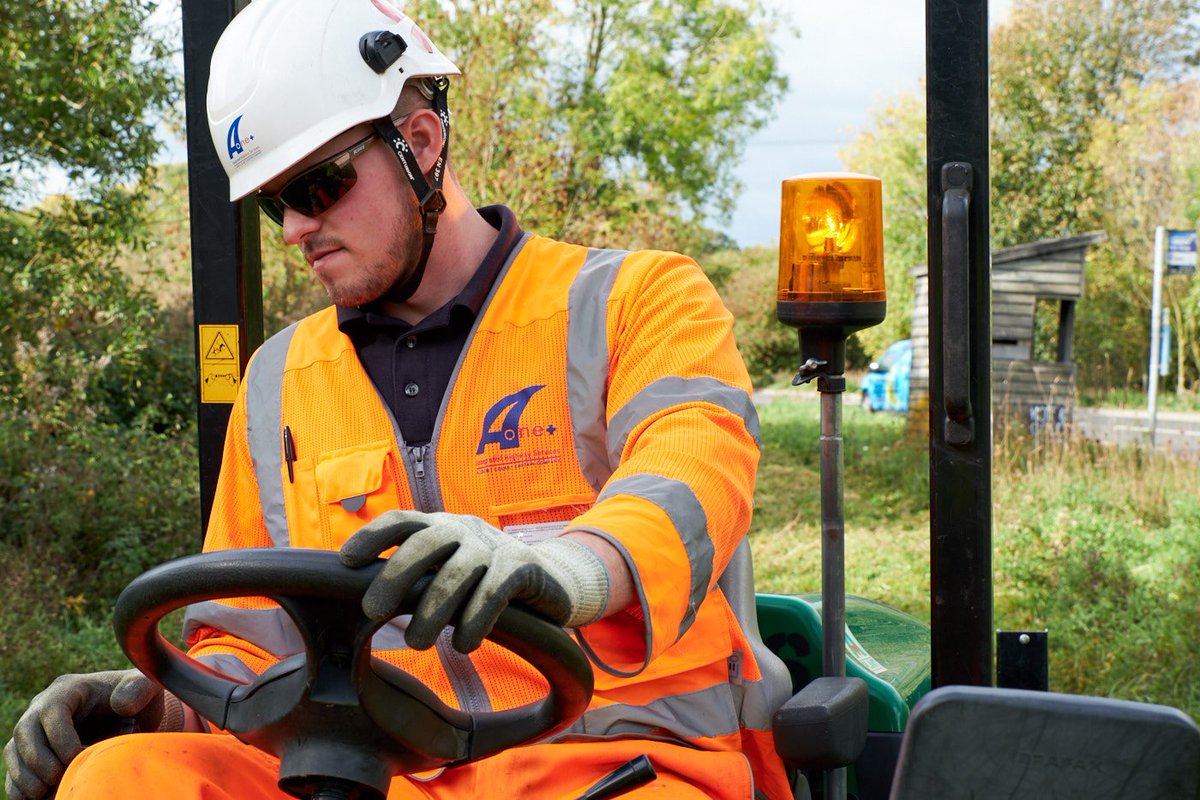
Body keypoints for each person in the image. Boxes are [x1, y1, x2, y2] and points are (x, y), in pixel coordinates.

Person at [4, 1, 791, 797]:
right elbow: (246, 646)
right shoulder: (278, 380)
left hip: (615, 769)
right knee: (120, 777)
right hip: (375, 777)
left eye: (318, 185)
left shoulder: (637, 300)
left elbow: (690, 479)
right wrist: (160, 707)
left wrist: (566, 569)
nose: (295, 229)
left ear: (420, 141)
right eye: (276, 203)